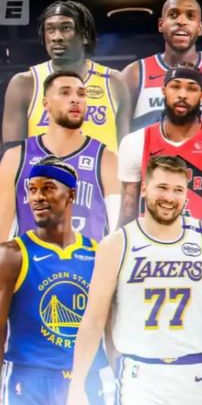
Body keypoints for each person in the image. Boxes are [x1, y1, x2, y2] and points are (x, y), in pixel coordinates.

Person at [66, 155, 202, 405]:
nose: (169, 197)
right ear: (144, 189)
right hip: (140, 376)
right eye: (162, 187)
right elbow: (93, 320)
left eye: (178, 190)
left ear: (186, 194)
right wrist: (77, 385)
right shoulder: (117, 244)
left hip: (198, 374)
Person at [0, 157, 108, 405]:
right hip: (28, 380)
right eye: (32, 189)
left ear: (71, 195)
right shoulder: (12, 254)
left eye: (48, 188)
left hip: (87, 377)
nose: (37, 197)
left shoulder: (98, 254)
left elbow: (111, 326)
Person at [117, 66, 202, 229]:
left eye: (191, 88)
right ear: (164, 91)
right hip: (153, 240)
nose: (182, 95)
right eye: (175, 86)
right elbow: (128, 211)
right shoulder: (135, 141)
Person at [0, 71, 120, 242]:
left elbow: (119, 231)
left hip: (87, 258)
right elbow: (2, 230)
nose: (75, 99)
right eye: (65, 93)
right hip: (31, 258)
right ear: (46, 104)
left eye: (81, 94)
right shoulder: (16, 158)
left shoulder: (106, 159)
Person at [2, 0, 130, 153]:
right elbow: (12, 155)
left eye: (66, 28)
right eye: (50, 29)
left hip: (102, 168)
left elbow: (126, 151)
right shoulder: (24, 84)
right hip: (44, 168)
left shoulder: (113, 81)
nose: (56, 37)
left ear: (85, 35)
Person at [121, 0, 202, 131]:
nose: (181, 21)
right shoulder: (134, 74)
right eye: (173, 15)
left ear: (200, 28)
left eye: (190, 16)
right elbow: (120, 133)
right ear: (161, 24)